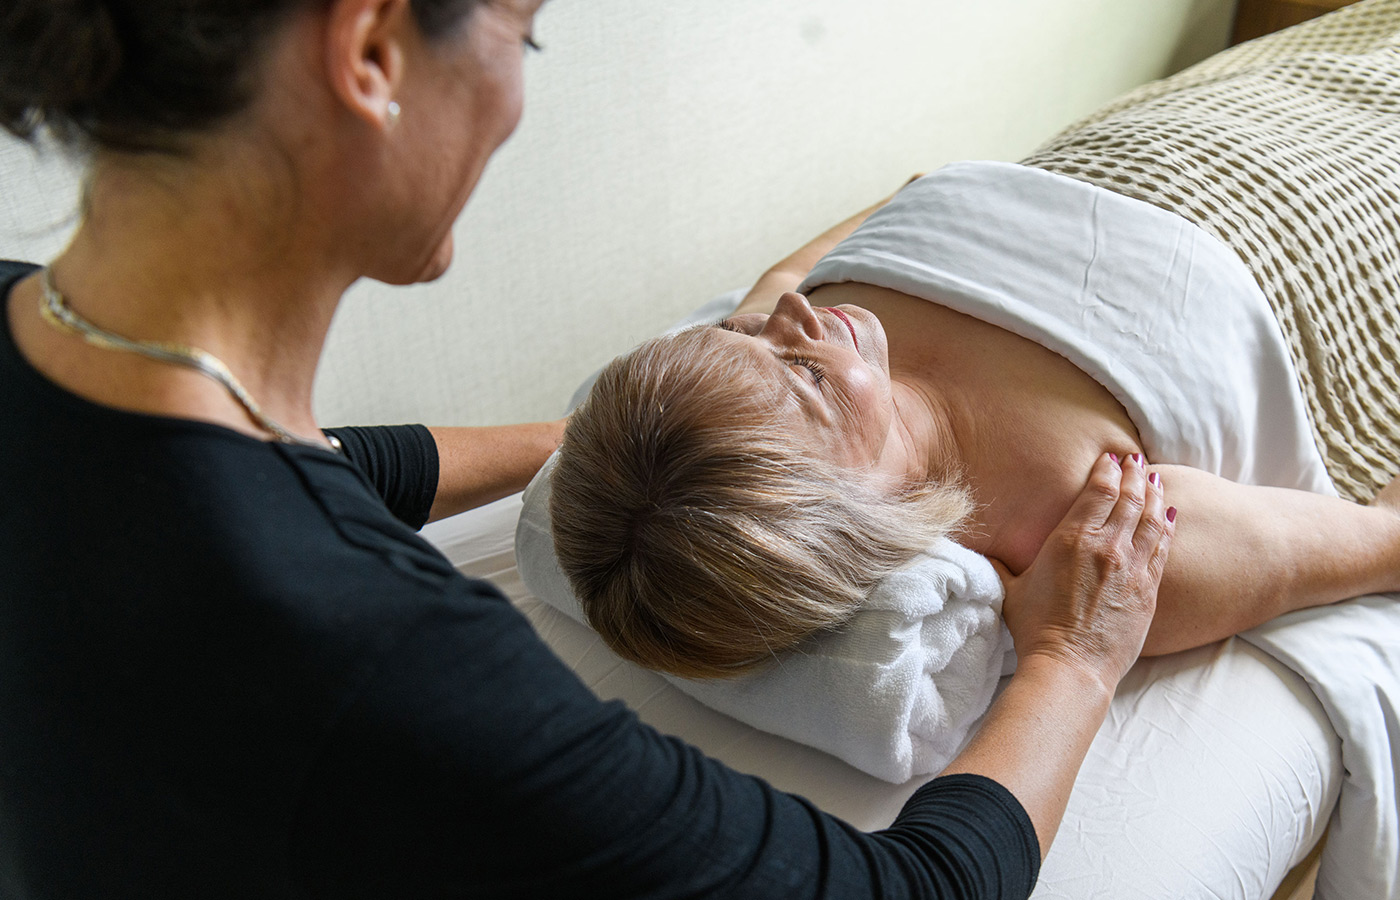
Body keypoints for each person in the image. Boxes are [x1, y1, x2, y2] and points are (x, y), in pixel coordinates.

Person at [0, 1, 1175, 897]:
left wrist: (585, 441)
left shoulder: (55, 349)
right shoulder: (390, 663)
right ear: (370, 55)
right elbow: (909, 888)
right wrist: (1070, 658)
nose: (512, 100)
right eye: (524, 37)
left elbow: (300, 470)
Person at [549, 172, 1400, 680]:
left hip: (1136, 154)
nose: (798, 319)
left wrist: (926, 201)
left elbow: (823, 252)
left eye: (741, 338)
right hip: (1313, 226)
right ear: (842, 507)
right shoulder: (1088, 523)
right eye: (805, 375)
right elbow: (1379, 540)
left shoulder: (785, 331)